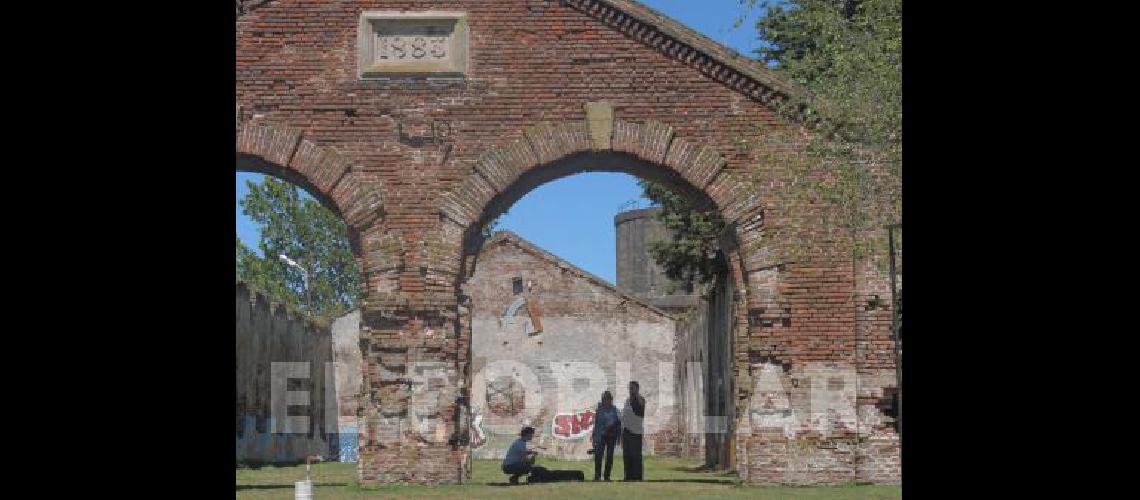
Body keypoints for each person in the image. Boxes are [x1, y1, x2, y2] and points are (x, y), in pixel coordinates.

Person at [590, 390, 621, 481]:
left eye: (607, 399)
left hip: (611, 436)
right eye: (604, 399)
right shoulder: (599, 410)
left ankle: (607, 476)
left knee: (609, 457)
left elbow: (618, 423)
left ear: (610, 400)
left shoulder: (614, 410)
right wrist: (594, 436)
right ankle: (597, 475)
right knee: (598, 456)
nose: (605, 401)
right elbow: (596, 423)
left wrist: (618, 436)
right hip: (601, 436)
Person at [621, 381, 646, 481]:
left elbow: (641, 404)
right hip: (626, 431)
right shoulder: (627, 400)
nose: (630, 390)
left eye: (632, 388)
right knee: (627, 455)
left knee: (636, 455)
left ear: (637, 389)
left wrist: (636, 395)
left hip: (636, 432)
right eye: (630, 388)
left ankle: (637, 476)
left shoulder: (641, 399)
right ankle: (628, 476)